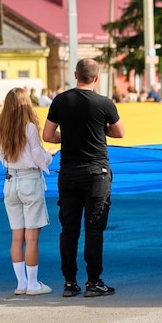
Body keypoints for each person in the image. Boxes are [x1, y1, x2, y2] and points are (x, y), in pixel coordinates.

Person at [43, 58, 125, 298]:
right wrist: (99, 130)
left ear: (75, 74)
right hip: (96, 173)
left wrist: (67, 137)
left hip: (68, 172)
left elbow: (48, 135)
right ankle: (93, 281)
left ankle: (69, 282)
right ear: (97, 78)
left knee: (69, 229)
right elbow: (120, 132)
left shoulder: (61, 100)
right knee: (94, 228)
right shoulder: (104, 103)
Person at [0, 88, 55, 295]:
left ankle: (20, 284)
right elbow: (38, 156)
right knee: (32, 237)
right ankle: (33, 284)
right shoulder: (29, 127)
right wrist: (50, 157)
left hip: (10, 181)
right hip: (29, 181)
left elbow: (2, 157)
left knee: (17, 236)